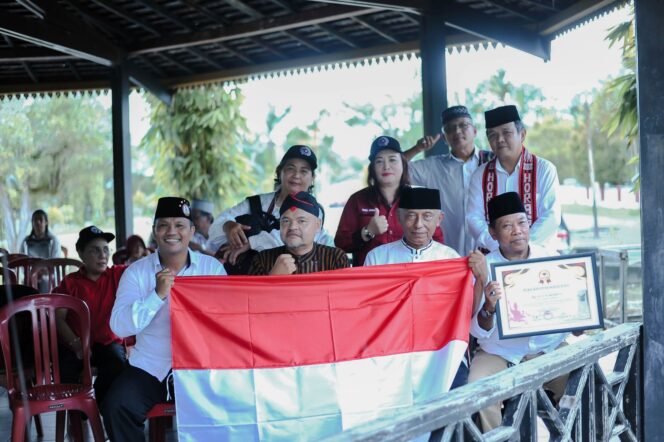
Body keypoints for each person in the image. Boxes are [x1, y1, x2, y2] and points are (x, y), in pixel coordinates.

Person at [103, 197, 226, 442]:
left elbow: (227, 321)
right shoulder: (136, 272)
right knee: (117, 406)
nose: (172, 232)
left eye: (180, 225)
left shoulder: (211, 269)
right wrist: (156, 295)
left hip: (201, 368)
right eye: (163, 225)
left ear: (191, 231)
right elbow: (119, 325)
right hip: (150, 367)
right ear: (154, 231)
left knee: (233, 405)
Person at [364, 187, 488, 389]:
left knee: (454, 408)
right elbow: (368, 312)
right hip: (392, 353)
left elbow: (468, 313)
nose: (419, 225)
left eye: (427, 216)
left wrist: (481, 278)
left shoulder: (451, 259)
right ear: (399, 217)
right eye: (411, 216)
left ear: (439, 219)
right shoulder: (378, 258)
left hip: (441, 354)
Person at [468, 192, 569, 431]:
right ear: (493, 233)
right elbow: (476, 330)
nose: (517, 231)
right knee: (477, 388)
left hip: (549, 348)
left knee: (584, 379)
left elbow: (569, 308)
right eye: (507, 226)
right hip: (501, 351)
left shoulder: (550, 259)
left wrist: (577, 317)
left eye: (522, 222)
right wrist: (489, 309)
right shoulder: (484, 267)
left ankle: (573, 436)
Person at [207, 145, 333, 266]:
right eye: (290, 168)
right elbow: (214, 230)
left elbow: (296, 244)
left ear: (312, 178)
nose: (296, 175)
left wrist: (252, 242)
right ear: (279, 172)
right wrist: (228, 226)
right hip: (249, 278)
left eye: (304, 171)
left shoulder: (316, 212)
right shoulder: (256, 203)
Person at [335, 135, 443, 266]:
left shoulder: (419, 197)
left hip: (410, 277)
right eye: (379, 161)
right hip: (370, 278)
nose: (386, 166)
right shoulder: (358, 200)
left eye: (392, 160)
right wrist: (368, 232)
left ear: (403, 164)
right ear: (372, 168)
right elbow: (341, 244)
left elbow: (437, 242)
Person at [467, 105, 561, 252]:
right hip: (494, 258)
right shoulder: (480, 175)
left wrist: (523, 248)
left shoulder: (544, 169)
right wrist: (500, 248)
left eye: (506, 132)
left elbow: (551, 216)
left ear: (522, 134)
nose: (500, 139)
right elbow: (473, 218)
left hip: (537, 256)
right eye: (493, 135)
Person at [403, 106, 494, 255]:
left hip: (490, 252)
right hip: (448, 255)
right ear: (445, 138)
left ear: (475, 131)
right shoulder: (433, 167)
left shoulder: (492, 161)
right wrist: (417, 149)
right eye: (450, 128)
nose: (457, 131)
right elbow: (394, 168)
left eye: (463, 125)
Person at [55, 226, 127, 407]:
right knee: (66, 369)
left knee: (117, 363)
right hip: (76, 343)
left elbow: (144, 269)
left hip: (107, 343)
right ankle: (78, 413)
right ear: (81, 254)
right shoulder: (71, 283)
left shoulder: (117, 275)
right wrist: (76, 344)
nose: (102, 255)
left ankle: (95, 406)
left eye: (105, 250)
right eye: (95, 250)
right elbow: (58, 317)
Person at [249, 192, 349, 275]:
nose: (292, 227)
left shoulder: (335, 259)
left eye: (301, 221)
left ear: (318, 225)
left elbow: (344, 297)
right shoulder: (262, 260)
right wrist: (273, 277)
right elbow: (250, 298)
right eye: (286, 221)